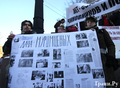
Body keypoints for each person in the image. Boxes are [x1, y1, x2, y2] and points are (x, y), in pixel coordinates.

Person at [83, 16, 116, 87]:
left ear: (95, 22)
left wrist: (111, 56)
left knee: (108, 81)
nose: (89, 23)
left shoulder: (102, 31)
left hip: (103, 58)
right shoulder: (83, 34)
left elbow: (111, 45)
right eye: (88, 22)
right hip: (89, 59)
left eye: (91, 21)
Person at [2, 20, 36, 88]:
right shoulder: (15, 38)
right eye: (25, 25)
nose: (27, 26)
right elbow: (5, 51)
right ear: (22, 27)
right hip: (17, 63)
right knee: (8, 70)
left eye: (29, 25)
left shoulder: (36, 37)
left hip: (32, 62)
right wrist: (9, 41)